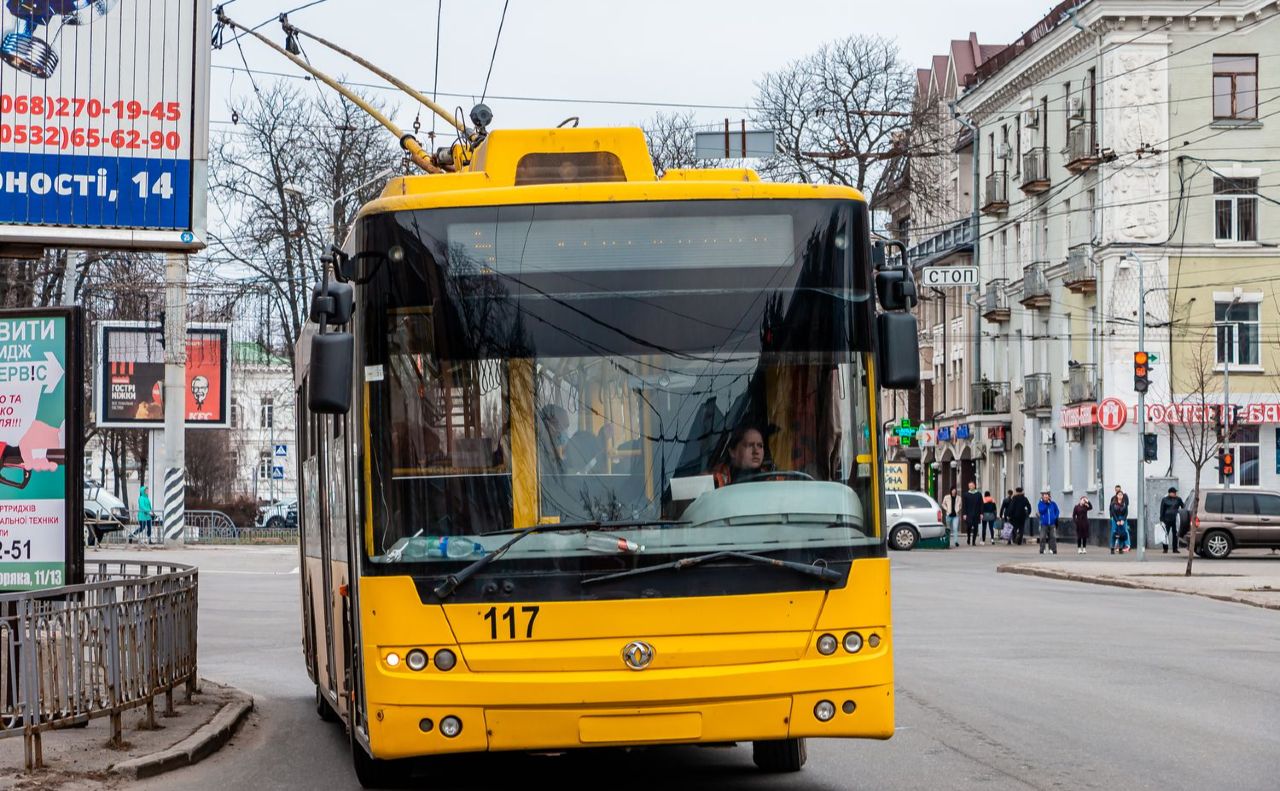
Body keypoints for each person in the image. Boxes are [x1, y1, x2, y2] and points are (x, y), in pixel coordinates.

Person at [1159, 486, 1185, 554]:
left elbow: (1183, 507)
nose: (1175, 493)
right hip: (1166, 520)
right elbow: (1162, 510)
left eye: (1175, 492)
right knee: (1165, 534)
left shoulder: (1178, 499)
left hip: (1175, 519)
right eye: (1174, 492)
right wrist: (1161, 519)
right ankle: (1165, 549)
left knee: (1175, 535)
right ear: (1170, 493)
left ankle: (1175, 549)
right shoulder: (1164, 499)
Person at [1110, 485, 1131, 551]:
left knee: (1124, 531)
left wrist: (1123, 519)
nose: (1118, 491)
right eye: (1116, 490)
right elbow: (1111, 510)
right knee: (1115, 531)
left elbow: (1126, 509)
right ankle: (1114, 546)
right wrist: (1113, 518)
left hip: (1122, 518)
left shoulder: (1124, 498)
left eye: (1119, 490)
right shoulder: (1113, 499)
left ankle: (1127, 545)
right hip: (1115, 518)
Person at [962, 481, 983, 546]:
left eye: (972, 485)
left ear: (974, 486)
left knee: (976, 528)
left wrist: (981, 513)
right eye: (969, 486)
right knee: (969, 527)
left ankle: (973, 541)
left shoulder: (978, 494)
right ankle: (968, 538)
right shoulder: (966, 494)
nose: (971, 487)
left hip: (976, 513)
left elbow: (981, 504)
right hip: (968, 514)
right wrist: (964, 514)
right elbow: (964, 505)